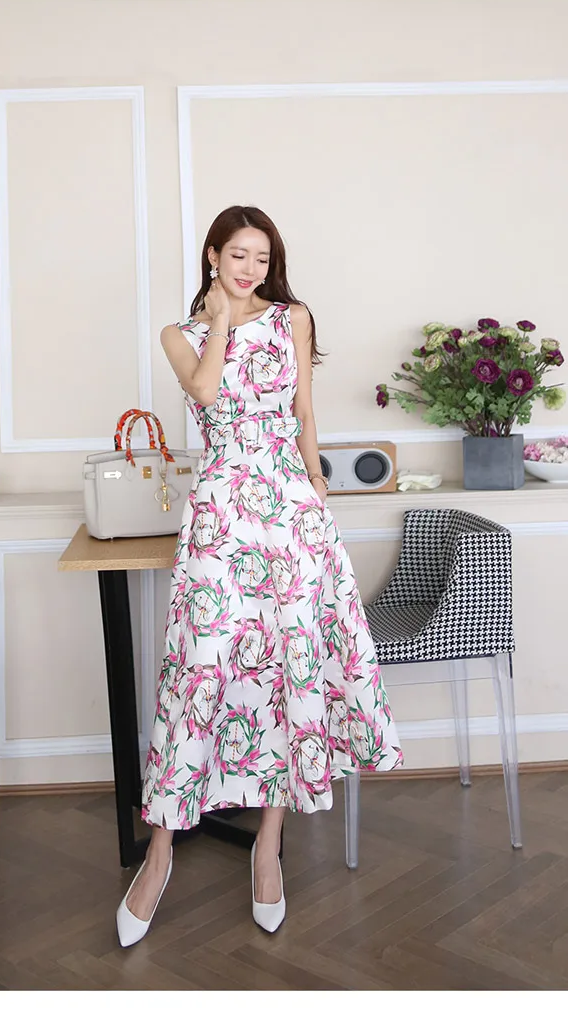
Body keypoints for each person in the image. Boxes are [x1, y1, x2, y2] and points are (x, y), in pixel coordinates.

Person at [116, 205, 403, 947]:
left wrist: (315, 482)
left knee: (287, 665)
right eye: (238, 255)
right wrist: (219, 320)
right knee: (201, 667)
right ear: (213, 256)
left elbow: (303, 410)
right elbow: (208, 395)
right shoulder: (180, 335)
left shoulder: (293, 319)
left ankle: (269, 845)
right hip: (220, 510)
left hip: (290, 510)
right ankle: (159, 853)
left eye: (262, 257)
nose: (250, 269)